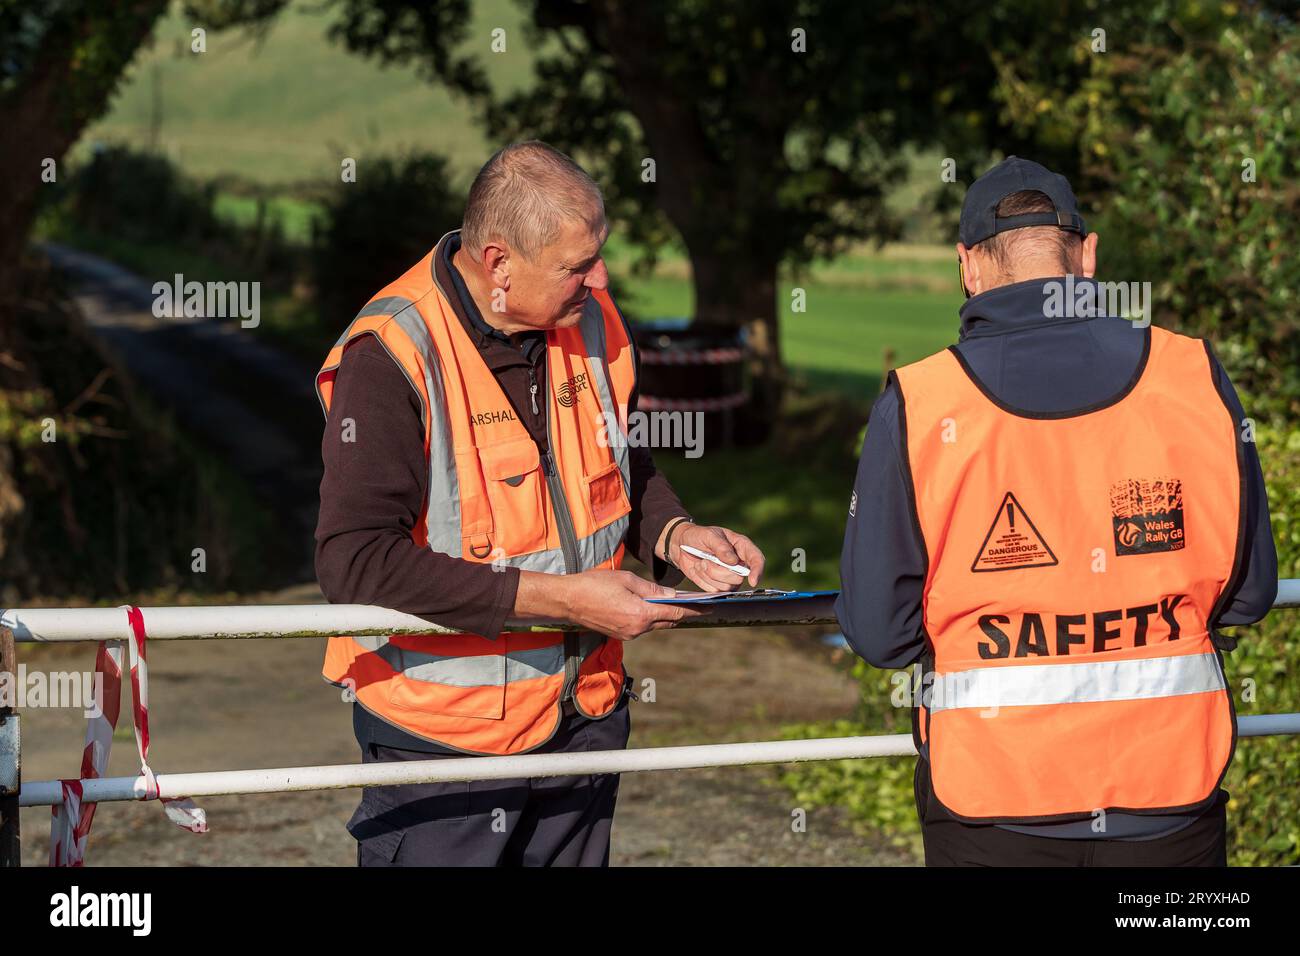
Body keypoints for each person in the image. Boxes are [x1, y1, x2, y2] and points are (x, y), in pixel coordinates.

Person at [314, 141, 765, 866]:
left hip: (586, 718)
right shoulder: (392, 352)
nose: (602, 277)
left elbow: (622, 460)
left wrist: (678, 535)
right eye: (578, 265)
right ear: (498, 265)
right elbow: (355, 563)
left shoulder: (594, 318)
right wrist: (568, 600)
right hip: (445, 745)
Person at [836, 156, 1277, 866]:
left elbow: (880, 633)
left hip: (993, 807)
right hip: (1169, 801)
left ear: (968, 267)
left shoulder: (922, 403)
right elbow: (1250, 593)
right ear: (1089, 256)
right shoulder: (1192, 374)